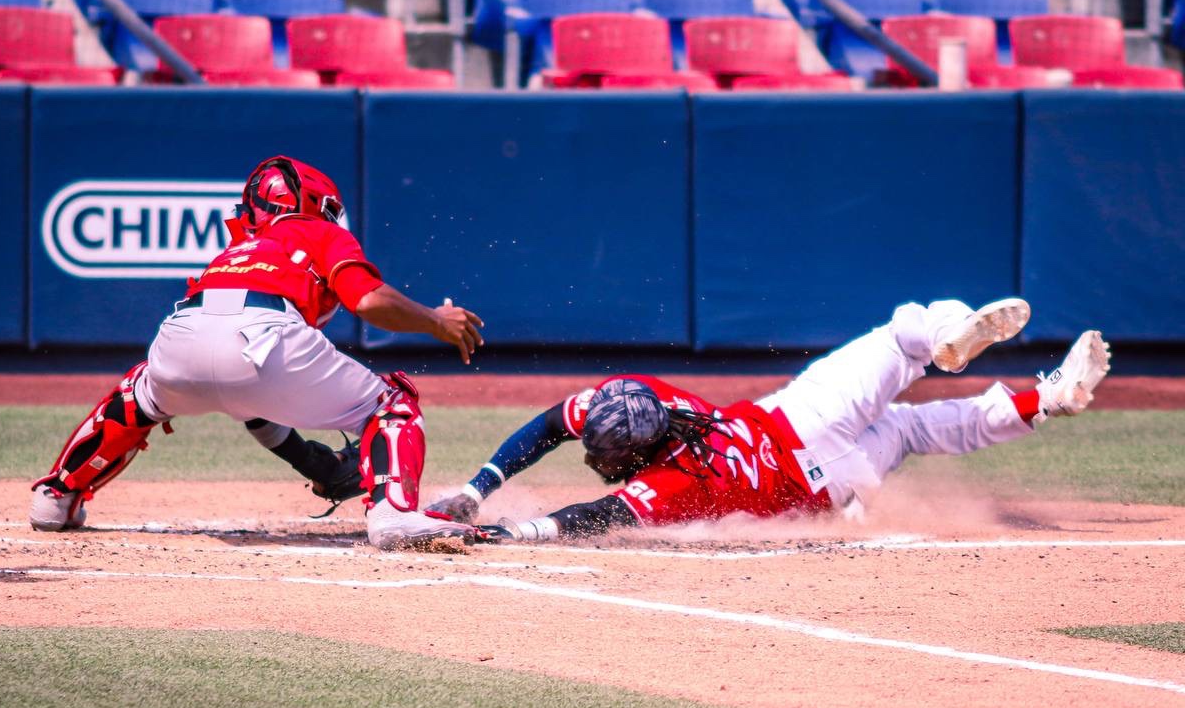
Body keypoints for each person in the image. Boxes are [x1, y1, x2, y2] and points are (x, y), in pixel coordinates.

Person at [31, 156, 484, 549]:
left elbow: (242, 390)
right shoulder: (318, 232)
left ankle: (57, 496)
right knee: (393, 403)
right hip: (265, 336)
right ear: (312, 205)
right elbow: (367, 301)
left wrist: (311, 460)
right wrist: (434, 320)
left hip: (179, 336)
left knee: (139, 392)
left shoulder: (234, 251)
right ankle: (395, 514)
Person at [425, 298, 1111, 542]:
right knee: (906, 338)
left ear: (638, 450)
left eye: (610, 458)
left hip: (825, 482)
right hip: (800, 415)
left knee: (914, 430)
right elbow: (552, 424)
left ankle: (1045, 400)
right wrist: (479, 488)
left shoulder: (673, 485)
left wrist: (503, 525)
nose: (599, 461)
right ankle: (948, 338)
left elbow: (591, 517)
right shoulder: (639, 394)